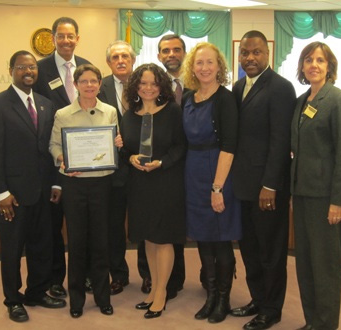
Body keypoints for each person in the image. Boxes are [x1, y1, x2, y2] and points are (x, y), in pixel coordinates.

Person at [0, 50, 66, 323]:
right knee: (13, 250)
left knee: (42, 245)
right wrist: (0, 193)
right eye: (21, 67)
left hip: (42, 191)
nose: (28, 72)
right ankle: (13, 299)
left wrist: (55, 182)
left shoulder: (45, 103)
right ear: (11, 70)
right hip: (13, 196)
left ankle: (37, 291)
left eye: (32, 67)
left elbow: (49, 148)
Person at [231, 30, 296, 330]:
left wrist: (270, 184)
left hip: (267, 189)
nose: (250, 58)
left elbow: (280, 141)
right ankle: (258, 299)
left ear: (267, 53)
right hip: (242, 186)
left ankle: (272, 309)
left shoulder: (281, 88)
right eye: (245, 52)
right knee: (250, 249)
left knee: (271, 252)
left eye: (256, 52)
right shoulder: (238, 86)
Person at [291, 42, 341, 330]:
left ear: (329, 66)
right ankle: (312, 321)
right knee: (305, 265)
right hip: (303, 196)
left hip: (326, 199)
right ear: (302, 67)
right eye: (308, 60)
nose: (313, 65)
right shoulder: (302, 100)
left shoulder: (338, 100)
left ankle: (326, 324)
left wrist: (338, 200)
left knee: (325, 268)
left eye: (320, 60)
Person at [49, 64, 117, 319]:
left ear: (100, 84)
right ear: (76, 84)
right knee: (76, 243)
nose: (89, 85)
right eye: (84, 81)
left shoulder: (109, 111)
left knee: (101, 242)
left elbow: (113, 142)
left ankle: (102, 297)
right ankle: (76, 299)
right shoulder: (63, 114)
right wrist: (62, 160)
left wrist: (117, 141)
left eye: (94, 81)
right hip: (74, 184)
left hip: (102, 183)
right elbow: (54, 145)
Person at [119, 63, 186, 319]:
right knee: (147, 237)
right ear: (136, 85)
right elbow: (125, 150)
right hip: (139, 184)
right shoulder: (129, 114)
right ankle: (153, 289)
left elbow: (181, 147)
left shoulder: (173, 112)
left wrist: (162, 162)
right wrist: (131, 158)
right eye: (143, 83)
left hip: (166, 181)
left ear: (161, 86)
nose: (148, 88)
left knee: (163, 237)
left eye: (153, 83)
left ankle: (161, 292)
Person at [181, 42, 241, 324]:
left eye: (209, 62)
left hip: (218, 172)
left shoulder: (225, 99)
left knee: (221, 240)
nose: (204, 68)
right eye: (199, 63)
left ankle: (223, 299)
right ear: (192, 67)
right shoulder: (188, 98)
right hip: (193, 172)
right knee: (203, 238)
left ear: (219, 67)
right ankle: (210, 295)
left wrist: (217, 187)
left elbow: (229, 146)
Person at [34, 16, 91, 298]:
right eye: (61, 35)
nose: (66, 40)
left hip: (86, 162)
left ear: (77, 38)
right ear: (53, 38)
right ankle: (55, 278)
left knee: (84, 223)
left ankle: (86, 276)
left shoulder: (86, 66)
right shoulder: (39, 69)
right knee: (53, 225)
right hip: (52, 161)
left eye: (71, 35)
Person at [98, 40, 136, 296]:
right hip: (112, 171)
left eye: (125, 56)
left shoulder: (146, 83)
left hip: (142, 167)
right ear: (109, 63)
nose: (121, 60)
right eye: (115, 57)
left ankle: (148, 275)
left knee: (144, 224)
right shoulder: (98, 86)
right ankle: (118, 274)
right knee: (113, 227)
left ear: (132, 60)